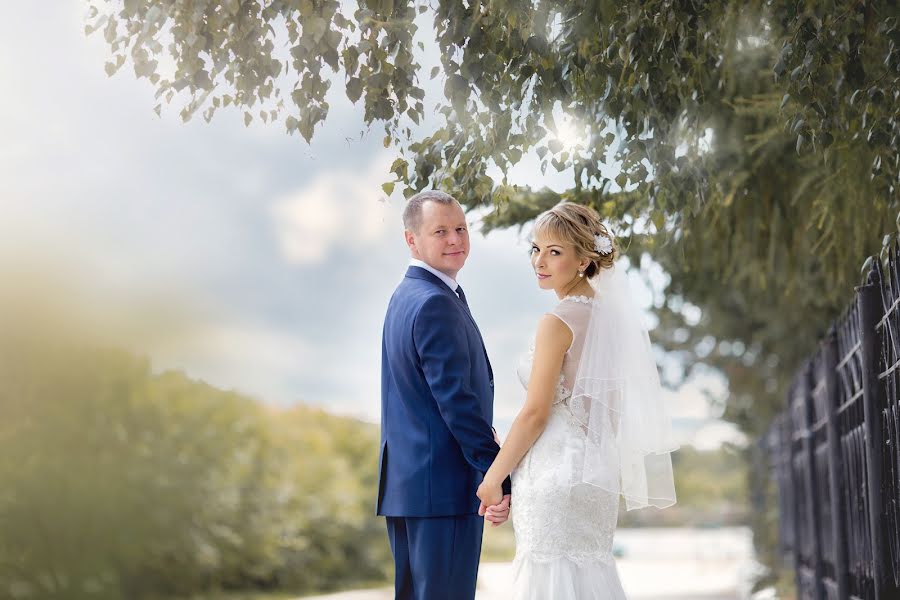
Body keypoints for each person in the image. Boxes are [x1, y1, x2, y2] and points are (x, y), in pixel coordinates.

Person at [476, 202, 679, 599]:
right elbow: (607, 415)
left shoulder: (557, 322)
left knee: (549, 578)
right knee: (590, 573)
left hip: (554, 475)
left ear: (585, 259)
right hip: (597, 475)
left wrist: (492, 477)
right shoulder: (615, 322)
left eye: (555, 251)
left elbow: (535, 414)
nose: (540, 261)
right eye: (536, 249)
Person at [376, 190, 511, 600]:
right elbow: (456, 402)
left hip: (411, 488)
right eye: (441, 231)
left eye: (461, 229)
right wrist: (496, 474)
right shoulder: (434, 301)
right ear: (411, 240)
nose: (456, 239)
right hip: (445, 488)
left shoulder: (407, 295)